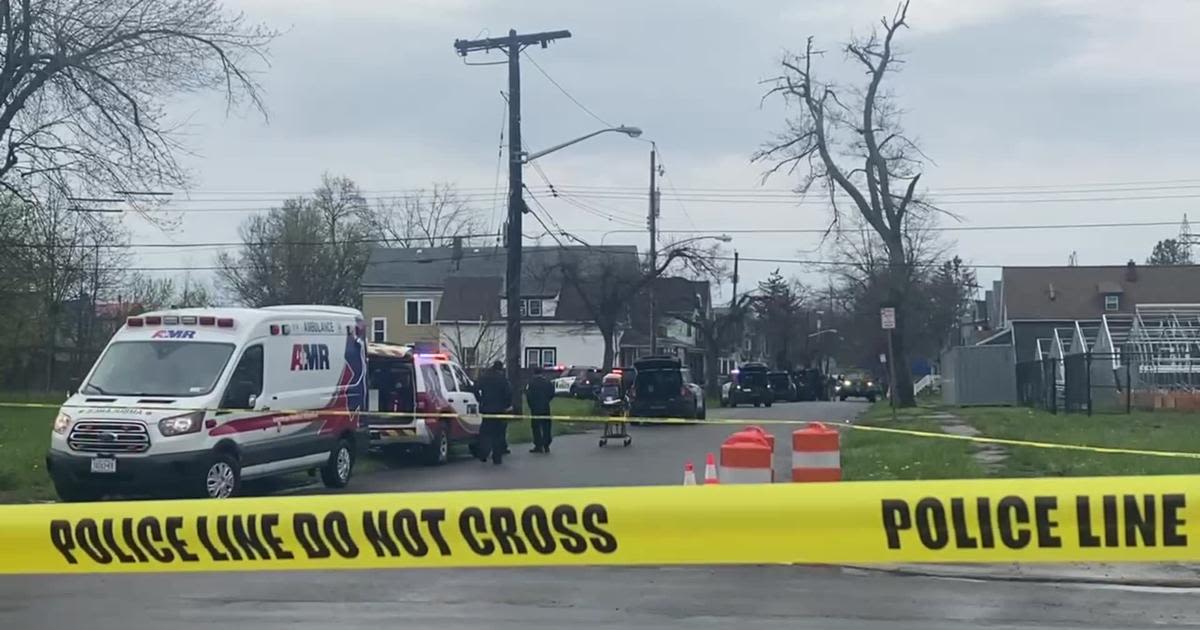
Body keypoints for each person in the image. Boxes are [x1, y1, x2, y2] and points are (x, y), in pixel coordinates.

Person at [475, 360, 512, 465]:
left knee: (485, 433)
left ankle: (483, 453)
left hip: (486, 409)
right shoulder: (502, 379)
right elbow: (508, 393)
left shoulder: (484, 377)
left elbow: (476, 389)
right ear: (500, 369)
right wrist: (507, 405)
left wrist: (480, 400)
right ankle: (497, 457)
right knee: (498, 435)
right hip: (499, 410)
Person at [526, 366, 556, 453]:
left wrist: (531, 405)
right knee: (546, 426)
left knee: (536, 427)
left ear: (534, 373)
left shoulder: (531, 383)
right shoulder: (547, 382)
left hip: (535, 408)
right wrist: (547, 401)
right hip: (545, 407)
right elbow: (552, 393)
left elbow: (528, 395)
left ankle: (538, 445)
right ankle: (546, 445)